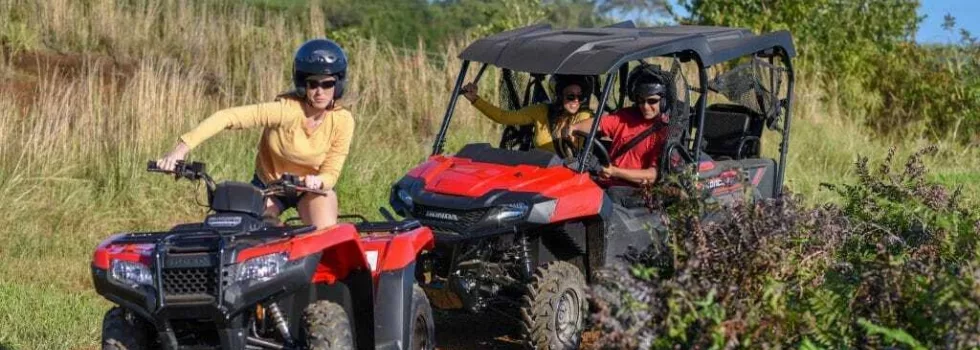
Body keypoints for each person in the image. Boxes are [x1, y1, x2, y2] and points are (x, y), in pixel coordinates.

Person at [156, 38, 355, 229]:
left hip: (311, 188)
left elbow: (332, 170)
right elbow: (228, 117)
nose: (320, 91)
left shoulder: (342, 120)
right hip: (271, 185)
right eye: (313, 84)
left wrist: (319, 181)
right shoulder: (286, 110)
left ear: (337, 85)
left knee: (325, 234)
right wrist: (180, 151)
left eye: (327, 84)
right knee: (256, 232)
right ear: (303, 84)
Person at [568, 65, 672, 205]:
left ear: (664, 102)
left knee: (609, 197)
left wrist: (614, 172)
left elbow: (652, 175)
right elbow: (599, 123)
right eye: (641, 101)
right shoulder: (626, 116)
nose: (645, 106)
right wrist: (574, 128)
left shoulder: (664, 132)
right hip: (607, 182)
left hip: (633, 190)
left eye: (652, 101)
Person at [459, 75, 594, 154]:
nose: (576, 101)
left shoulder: (584, 117)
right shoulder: (541, 111)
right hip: (537, 172)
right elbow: (503, 117)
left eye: (580, 97)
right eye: (571, 96)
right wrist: (475, 99)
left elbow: (588, 133)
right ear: (558, 96)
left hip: (569, 176)